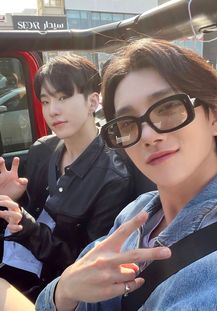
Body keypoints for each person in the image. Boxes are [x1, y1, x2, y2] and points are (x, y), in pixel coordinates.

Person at [33, 38, 217, 311]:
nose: (149, 136)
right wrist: (64, 291)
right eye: (127, 123)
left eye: (168, 108)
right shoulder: (134, 215)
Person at [0, 54, 135, 301]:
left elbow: (85, 264)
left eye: (63, 97)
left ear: (92, 101)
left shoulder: (113, 178)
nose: (53, 110)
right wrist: (9, 201)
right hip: (12, 261)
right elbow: (27, 216)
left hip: (48, 288)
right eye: (45, 101)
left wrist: (27, 226)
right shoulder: (42, 150)